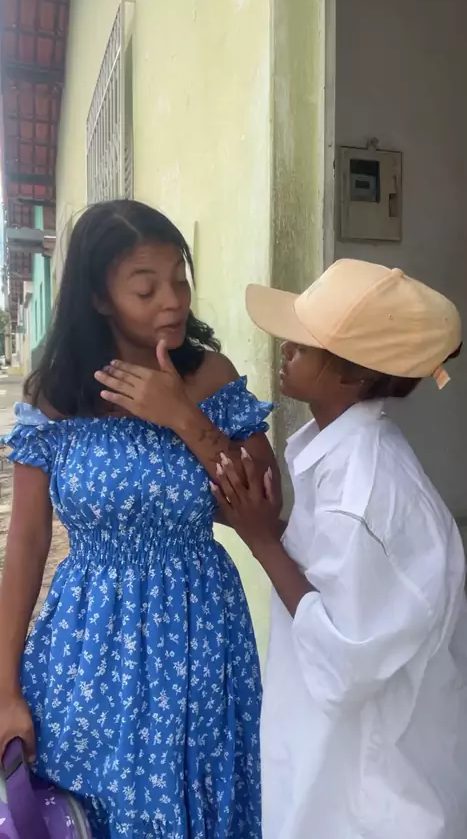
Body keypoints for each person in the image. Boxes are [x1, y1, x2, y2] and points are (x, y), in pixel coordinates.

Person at [0, 199, 280, 839]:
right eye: (146, 289)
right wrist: (4, 688)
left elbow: (266, 509)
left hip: (200, 635)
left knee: (198, 802)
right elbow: (28, 541)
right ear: (99, 298)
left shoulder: (209, 377)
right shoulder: (56, 395)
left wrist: (181, 414)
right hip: (89, 644)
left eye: (180, 280)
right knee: (92, 810)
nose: (173, 301)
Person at [212, 259, 467, 839]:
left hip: (384, 798)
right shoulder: (347, 460)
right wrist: (260, 523)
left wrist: (262, 540)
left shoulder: (364, 492)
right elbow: (332, 567)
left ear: (353, 377)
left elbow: (342, 658)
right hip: (361, 773)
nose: (286, 350)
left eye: (305, 345)